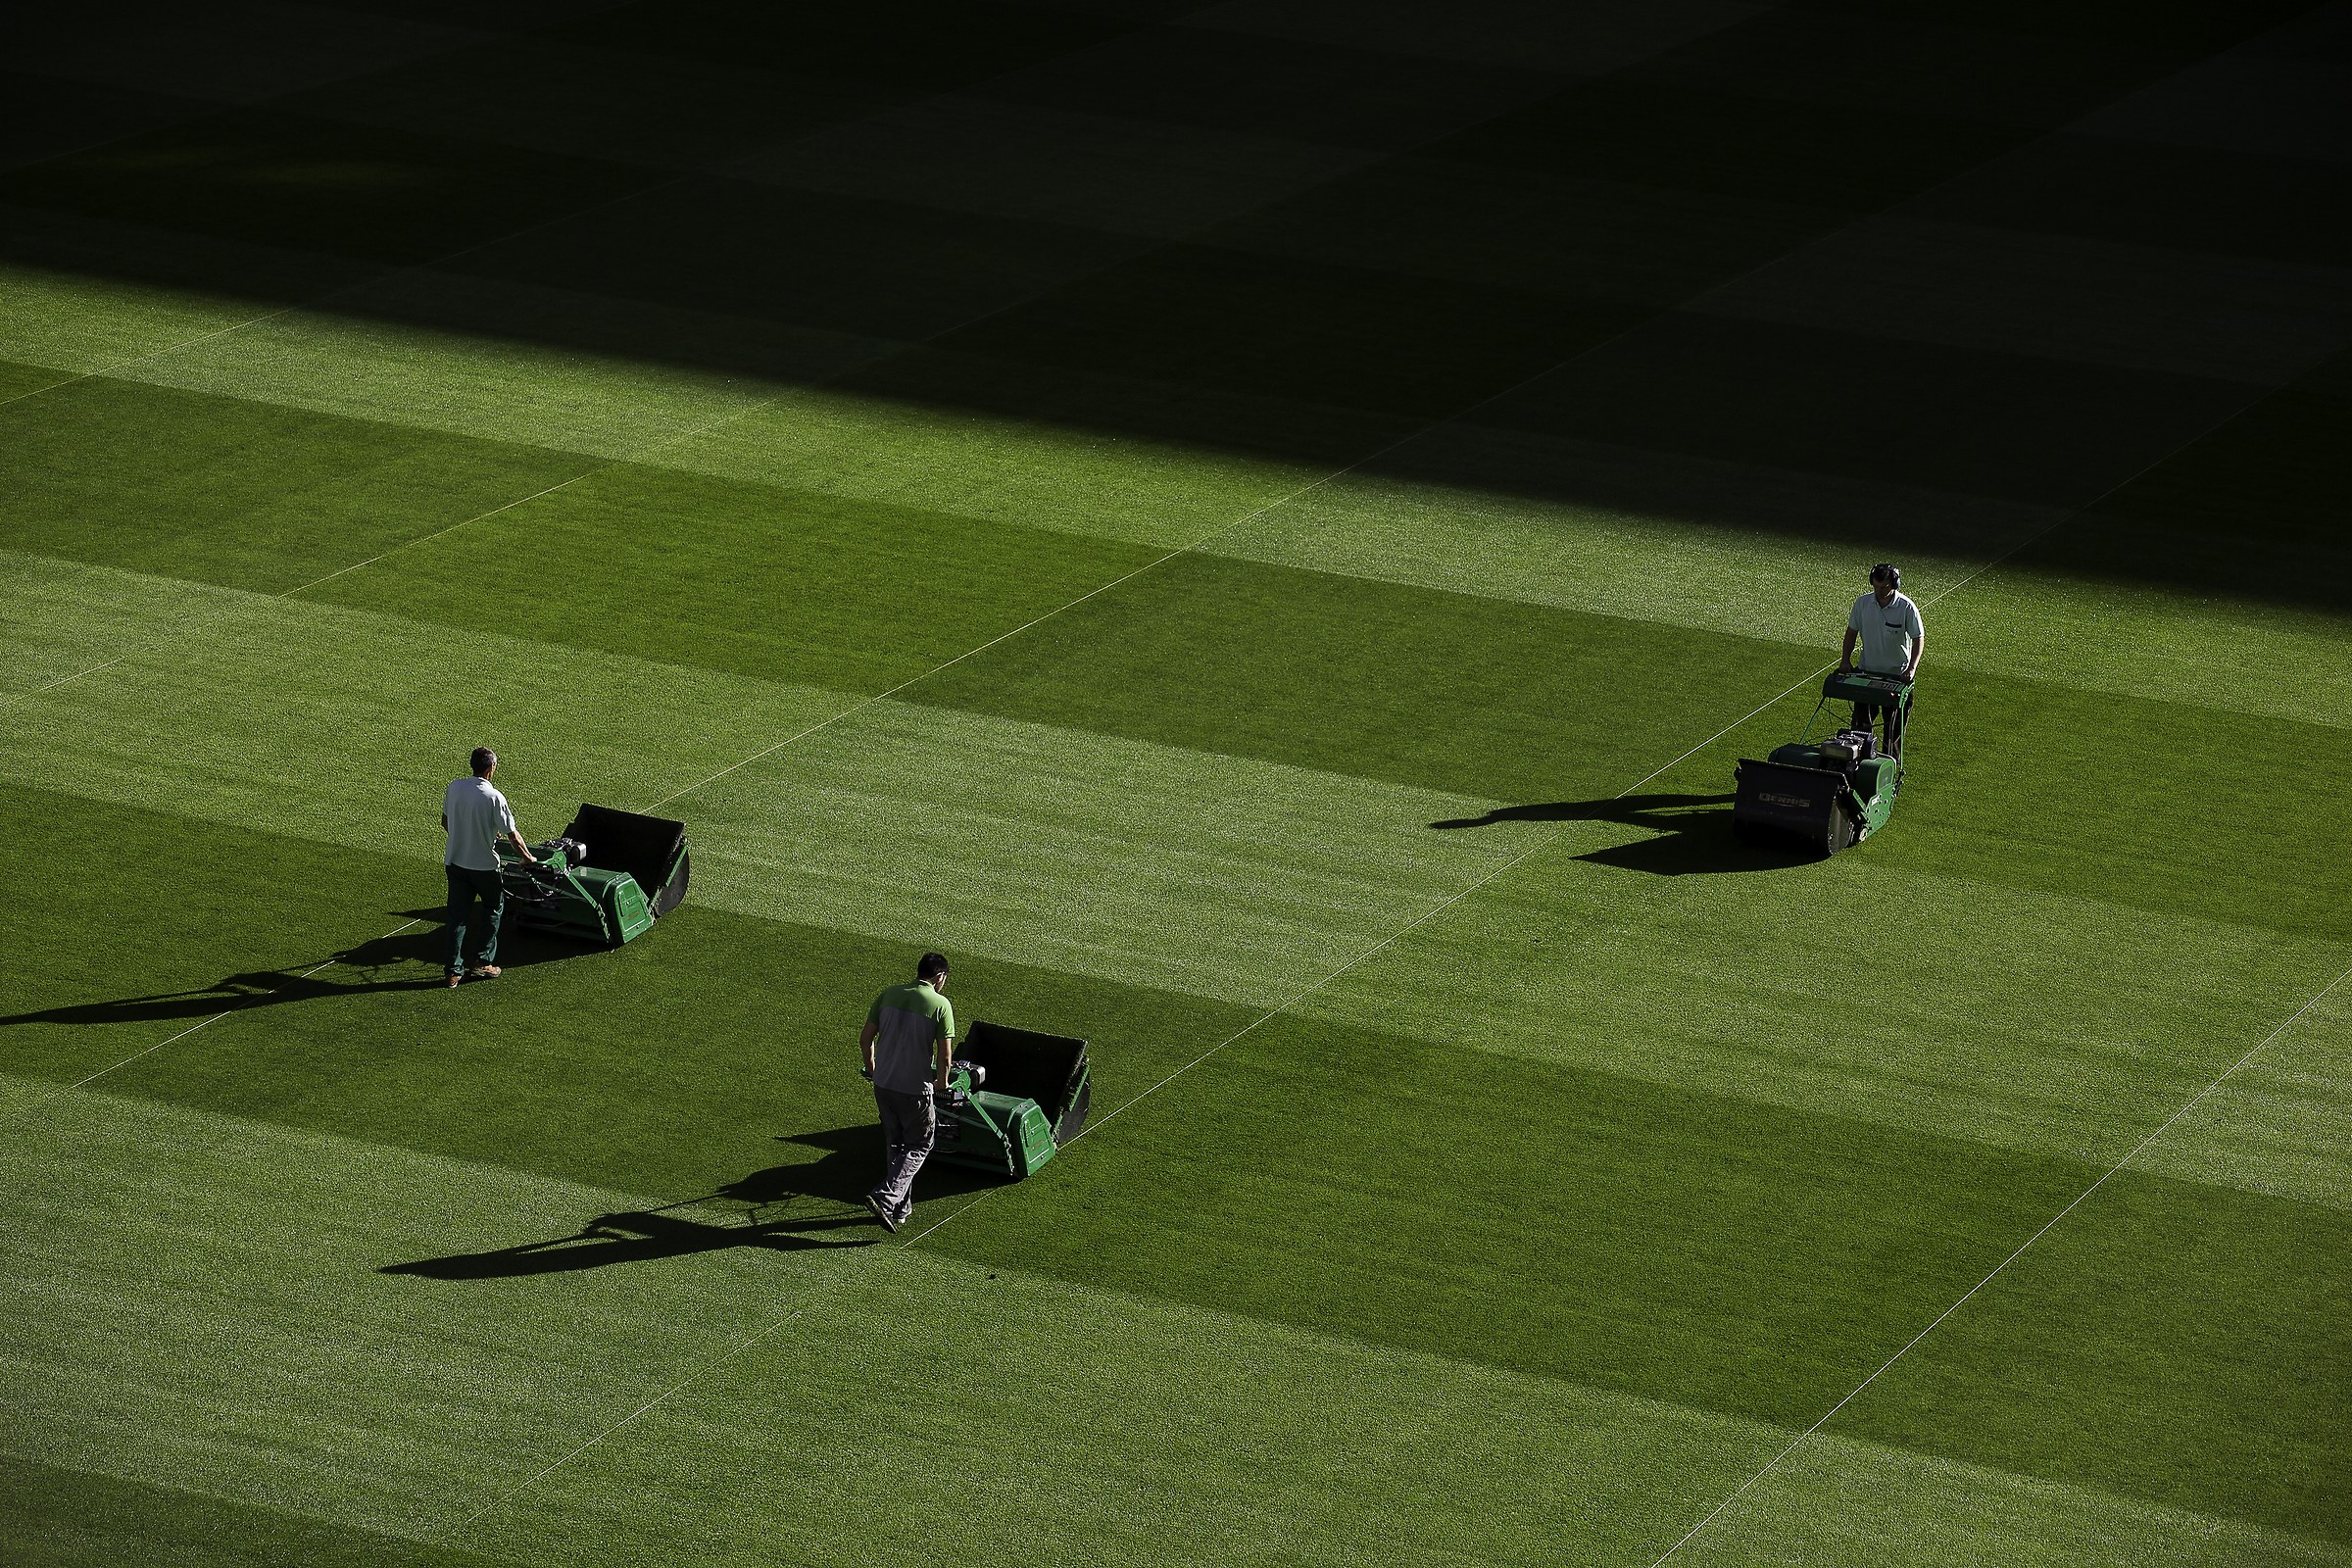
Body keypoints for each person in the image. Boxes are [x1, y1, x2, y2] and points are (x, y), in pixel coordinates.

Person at [858, 952, 956, 1233]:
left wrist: (873, 1069)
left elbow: (865, 1038)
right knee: (921, 1144)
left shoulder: (889, 994)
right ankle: (886, 1197)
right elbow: (945, 1056)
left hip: (883, 1085)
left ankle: (900, 1208)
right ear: (939, 976)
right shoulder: (940, 1005)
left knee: (896, 1144)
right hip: (914, 1090)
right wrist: (941, 1082)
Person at [441, 747, 536, 988]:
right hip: (483, 867)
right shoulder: (494, 797)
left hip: (455, 863)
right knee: (493, 907)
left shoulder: (454, 787)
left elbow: (446, 822)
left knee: (456, 918)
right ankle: (483, 961)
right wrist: (527, 857)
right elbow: (512, 835)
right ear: (491, 768)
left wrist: (467, 836)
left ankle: (452, 972)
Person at [1838, 563, 1924, 757]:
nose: (1879, 591)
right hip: (1866, 673)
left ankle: (1889, 767)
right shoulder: (1862, 603)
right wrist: (1845, 660)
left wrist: (1911, 668)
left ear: (1894, 584)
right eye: (1876, 587)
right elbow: (1851, 633)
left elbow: (1918, 638)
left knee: (1892, 732)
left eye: (1884, 587)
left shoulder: (1906, 607)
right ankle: (1858, 763)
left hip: (1896, 677)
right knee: (1860, 728)